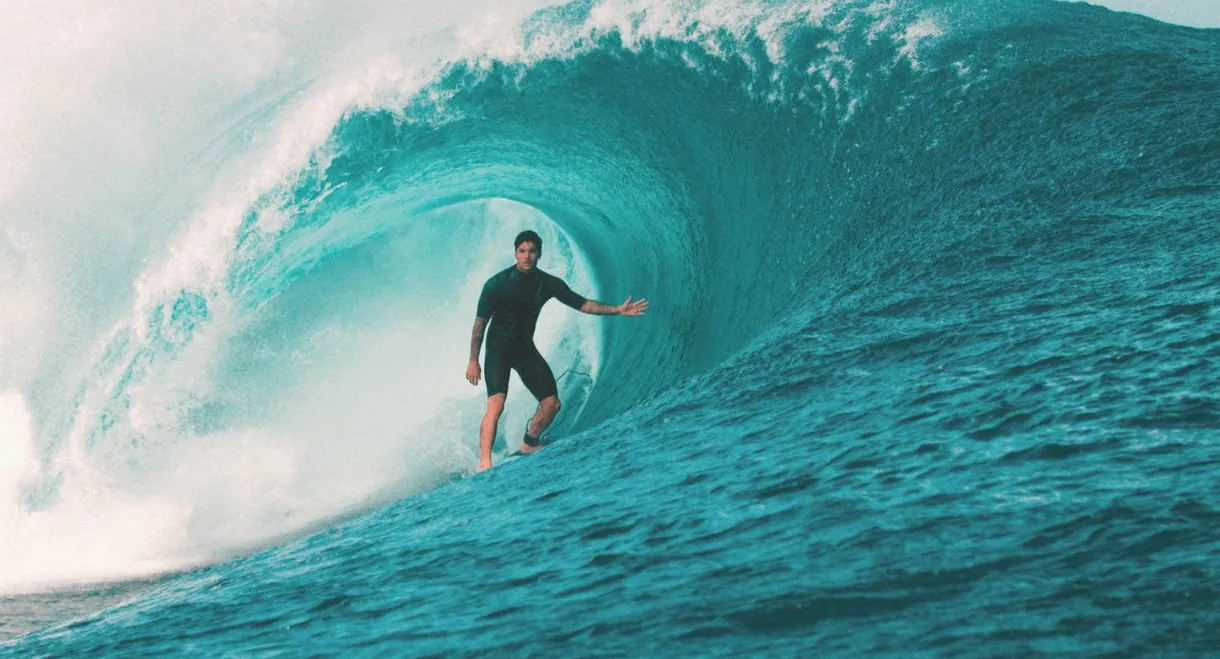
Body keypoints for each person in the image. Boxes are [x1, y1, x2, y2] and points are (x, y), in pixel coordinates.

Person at [466, 230, 649, 471]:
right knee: (496, 405)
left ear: (539, 254)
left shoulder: (548, 284)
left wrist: (618, 310)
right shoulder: (496, 284)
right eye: (522, 251)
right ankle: (485, 462)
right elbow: (479, 326)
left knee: (552, 404)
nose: (527, 256)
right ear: (515, 253)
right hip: (498, 350)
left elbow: (583, 304)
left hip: (524, 349)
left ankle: (529, 442)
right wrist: (473, 361)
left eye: (532, 251)